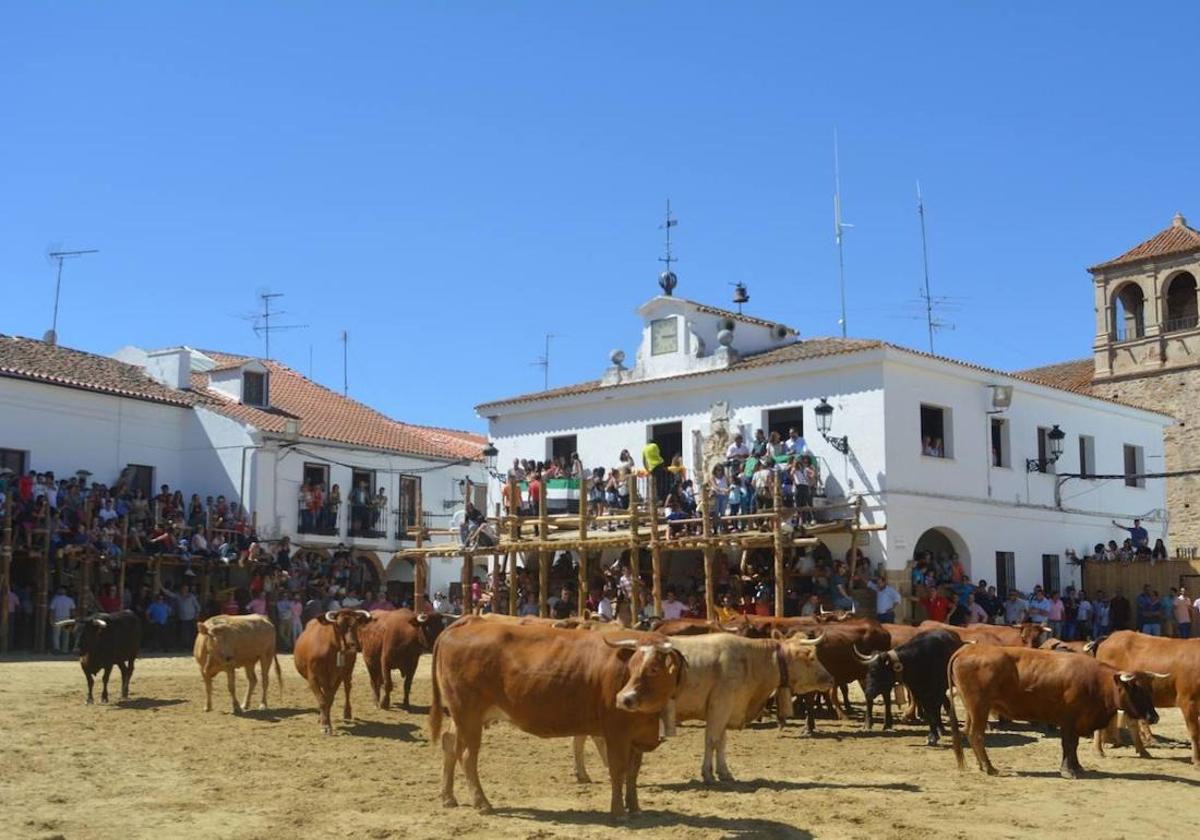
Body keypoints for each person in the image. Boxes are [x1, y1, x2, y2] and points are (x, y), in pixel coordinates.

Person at [48, 586, 76, 654]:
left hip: (57, 618)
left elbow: (52, 610)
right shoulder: (70, 600)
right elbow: (73, 610)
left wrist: (51, 619)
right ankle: (65, 650)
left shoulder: (55, 600)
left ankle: (56, 649)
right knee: (66, 635)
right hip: (67, 618)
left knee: (56, 634)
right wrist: (73, 619)